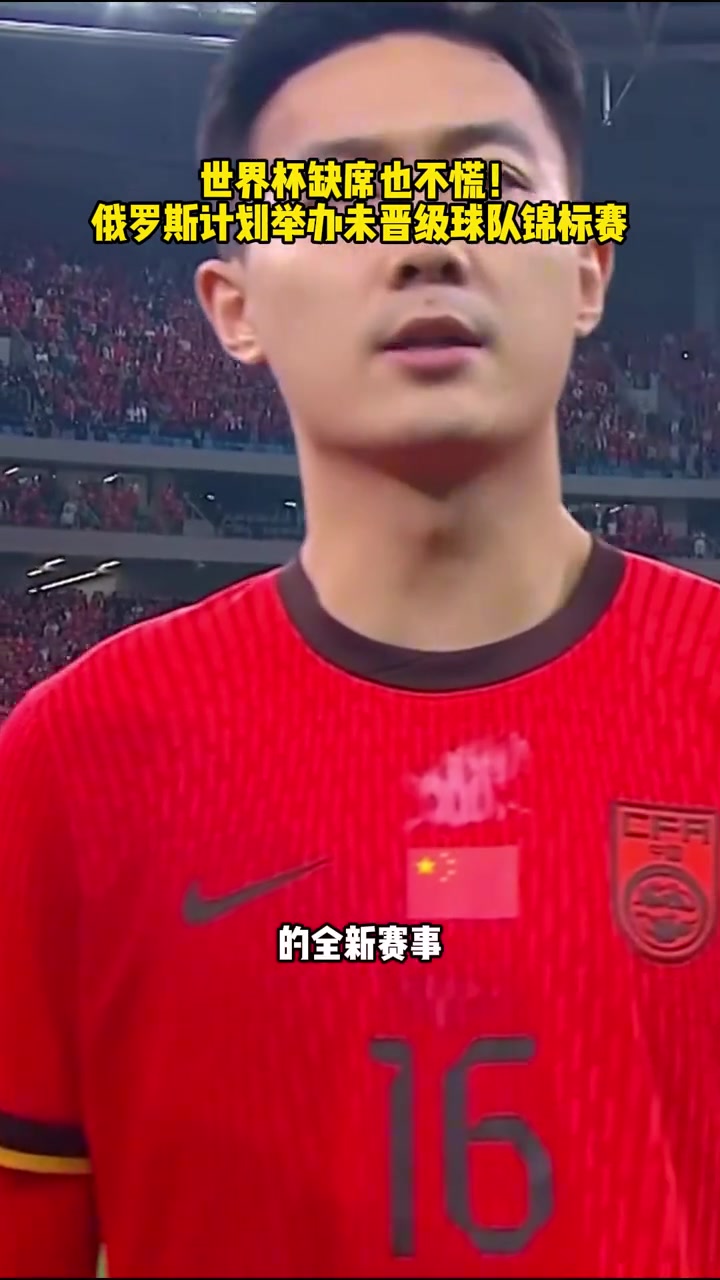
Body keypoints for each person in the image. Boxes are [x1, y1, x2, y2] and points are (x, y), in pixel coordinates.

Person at [1, 3, 719, 1276]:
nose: (427, 240)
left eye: (491, 190)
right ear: (234, 304)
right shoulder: (70, 766)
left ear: (587, 270)